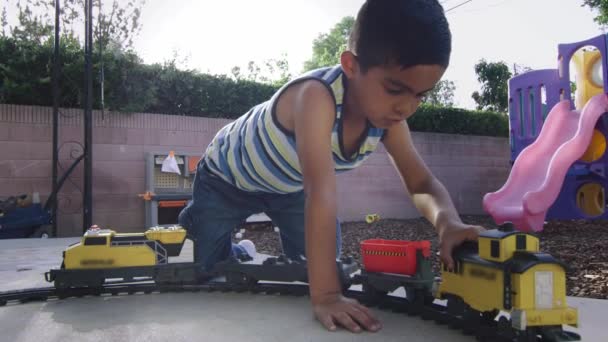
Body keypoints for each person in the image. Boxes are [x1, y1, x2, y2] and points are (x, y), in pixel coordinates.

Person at [179, 0, 485, 334]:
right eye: (395, 89)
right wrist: (325, 296)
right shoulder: (316, 97)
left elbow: (421, 182)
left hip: (288, 189)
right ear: (351, 65)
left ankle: (241, 248)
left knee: (318, 266)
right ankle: (200, 221)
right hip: (227, 180)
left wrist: (448, 222)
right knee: (210, 267)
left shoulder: (390, 120)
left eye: (421, 95)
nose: (406, 107)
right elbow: (321, 194)